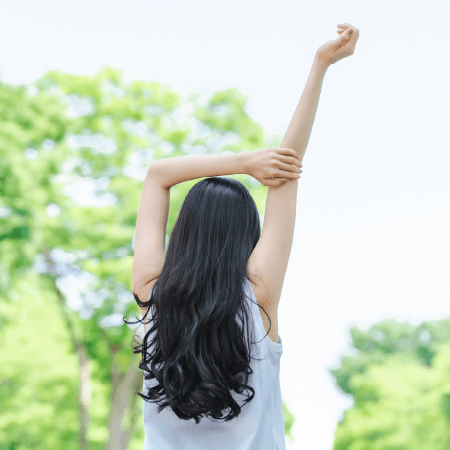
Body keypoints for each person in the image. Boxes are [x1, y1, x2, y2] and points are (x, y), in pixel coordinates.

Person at [128, 23, 359, 450]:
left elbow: (157, 175)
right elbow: (288, 168)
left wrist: (242, 161)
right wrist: (319, 67)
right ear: (247, 239)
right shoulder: (259, 295)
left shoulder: (150, 293)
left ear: (183, 234)